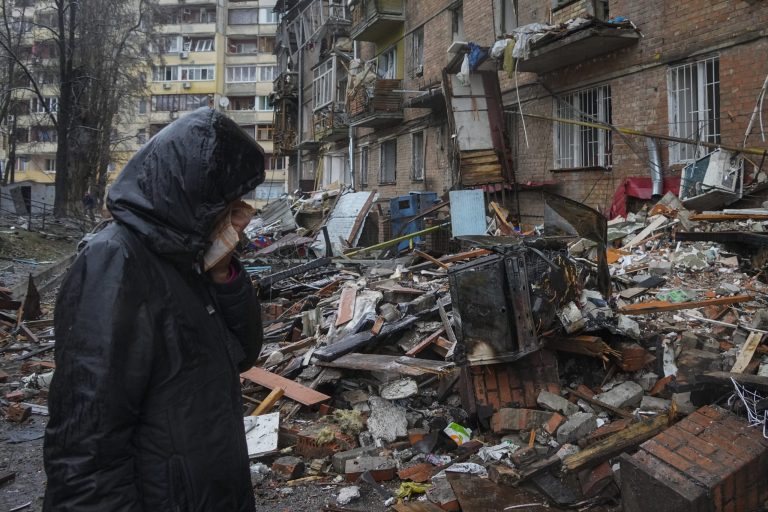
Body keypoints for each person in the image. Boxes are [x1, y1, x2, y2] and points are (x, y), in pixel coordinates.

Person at [43, 108, 265, 511]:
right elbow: (86, 445)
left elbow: (243, 354)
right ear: (193, 198)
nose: (243, 221)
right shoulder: (115, 263)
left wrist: (224, 276)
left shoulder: (188, 256)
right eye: (230, 207)